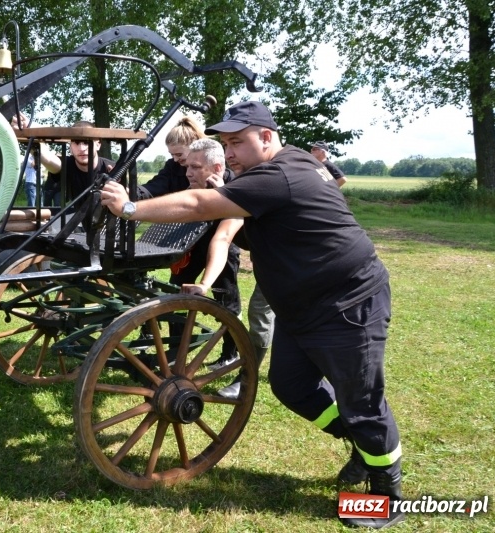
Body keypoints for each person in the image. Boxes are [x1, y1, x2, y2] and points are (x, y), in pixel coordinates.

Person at [101, 101, 403, 529]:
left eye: (237, 142)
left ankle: (387, 493)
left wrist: (130, 208)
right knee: (291, 386)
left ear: (266, 136)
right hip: (302, 308)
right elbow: (228, 221)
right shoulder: (286, 164)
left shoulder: (278, 174)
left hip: (347, 304)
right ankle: (359, 441)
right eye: (225, 143)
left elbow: (197, 205)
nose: (231, 152)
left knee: (362, 402)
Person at [173, 139, 243, 368]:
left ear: (217, 169)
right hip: (196, 243)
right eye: (187, 167)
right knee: (176, 289)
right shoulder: (192, 186)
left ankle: (230, 354)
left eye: (195, 167)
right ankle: (176, 351)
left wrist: (221, 193)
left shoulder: (237, 188)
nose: (188, 173)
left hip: (225, 244)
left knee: (226, 301)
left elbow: (224, 237)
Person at [137, 116, 207, 200]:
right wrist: (133, 192)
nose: (175, 159)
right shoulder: (173, 166)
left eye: (179, 154)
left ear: (195, 147)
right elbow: (155, 186)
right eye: (172, 155)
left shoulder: (212, 167)